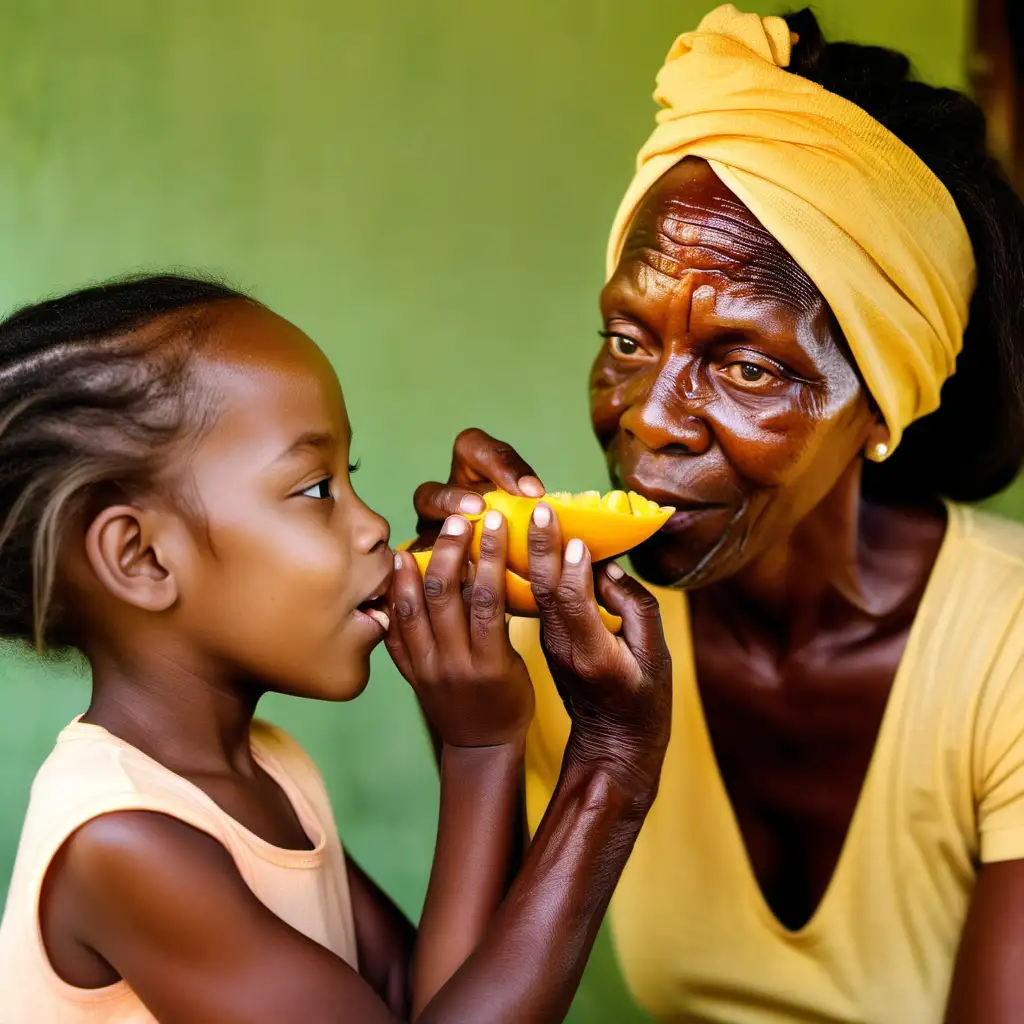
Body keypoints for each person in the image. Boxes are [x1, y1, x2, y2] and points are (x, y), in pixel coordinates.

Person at [410, 5, 1024, 1022]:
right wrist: (480, 733)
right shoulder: (571, 650)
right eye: (628, 339)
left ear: (879, 401)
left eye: (745, 365)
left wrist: (608, 757)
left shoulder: (1003, 650)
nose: (649, 418)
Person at [0, 274, 672, 1023]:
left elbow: (430, 1004)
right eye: (317, 489)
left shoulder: (271, 771)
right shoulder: (123, 842)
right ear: (143, 559)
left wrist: (482, 743)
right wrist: (610, 769)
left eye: (350, 478)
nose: (375, 526)